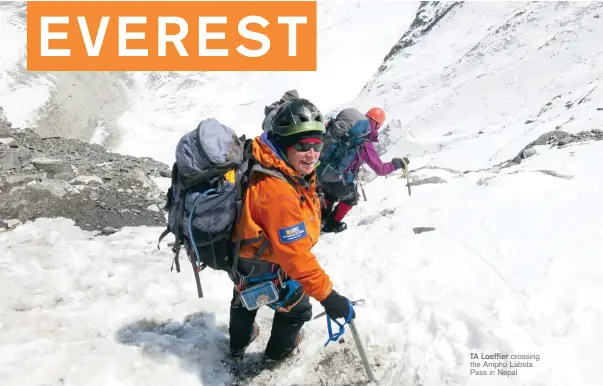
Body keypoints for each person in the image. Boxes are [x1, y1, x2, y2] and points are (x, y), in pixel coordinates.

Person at [229, 98, 356, 363]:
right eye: (302, 146)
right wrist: (330, 298)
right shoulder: (277, 191)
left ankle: (237, 346)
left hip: (245, 253)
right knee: (296, 310)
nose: (312, 154)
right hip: (266, 261)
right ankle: (276, 357)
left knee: (243, 298)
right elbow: (295, 256)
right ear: (286, 145)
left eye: (317, 146)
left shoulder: (271, 160)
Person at [319, 106, 409, 233]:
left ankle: (320, 217)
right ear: (377, 125)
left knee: (331, 193)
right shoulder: (363, 141)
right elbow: (380, 169)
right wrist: (395, 164)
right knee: (350, 199)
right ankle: (331, 225)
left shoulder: (348, 131)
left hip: (324, 171)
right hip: (339, 177)